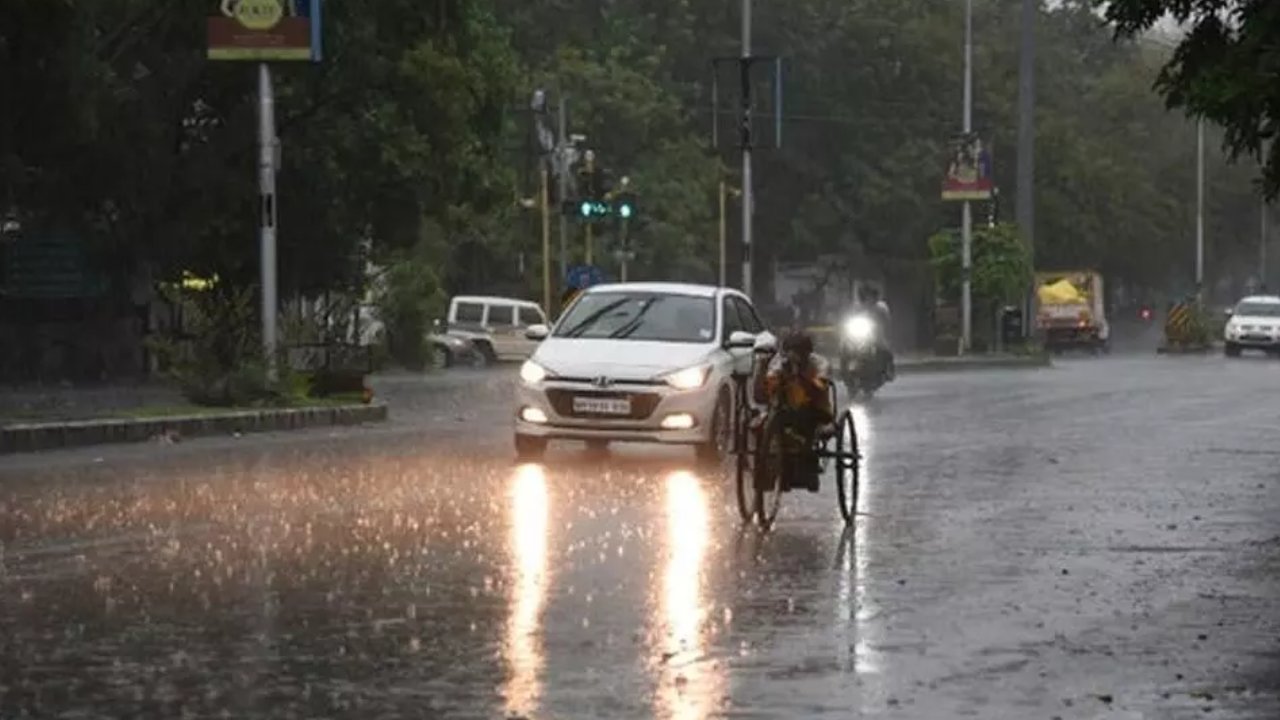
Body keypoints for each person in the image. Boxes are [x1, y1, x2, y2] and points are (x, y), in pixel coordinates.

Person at [753, 330, 834, 492]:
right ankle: (767, 471)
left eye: (796, 352)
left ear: (806, 353)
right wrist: (769, 374)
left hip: (814, 410)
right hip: (784, 408)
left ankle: (806, 466)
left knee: (805, 430)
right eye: (789, 352)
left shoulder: (819, 363)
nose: (792, 356)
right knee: (761, 427)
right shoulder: (780, 362)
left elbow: (821, 385)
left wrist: (800, 377)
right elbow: (768, 383)